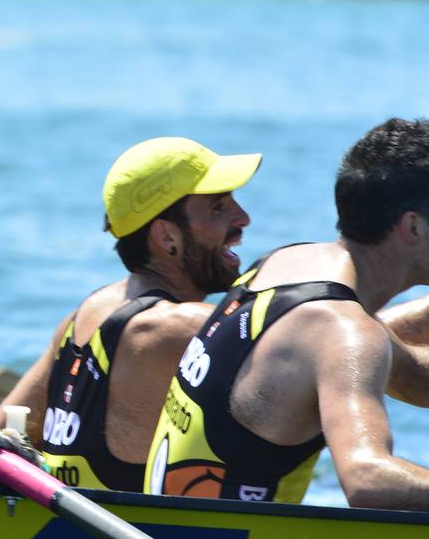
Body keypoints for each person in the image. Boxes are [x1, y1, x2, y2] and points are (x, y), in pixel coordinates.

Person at [146, 118, 429, 508]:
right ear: (412, 226)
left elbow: (412, 374)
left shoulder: (286, 263)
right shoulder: (344, 332)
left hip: (170, 526)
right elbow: (368, 479)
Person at [0, 137, 259, 491]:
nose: (243, 218)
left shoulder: (83, 316)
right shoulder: (183, 328)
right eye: (218, 207)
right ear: (167, 237)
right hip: (136, 525)